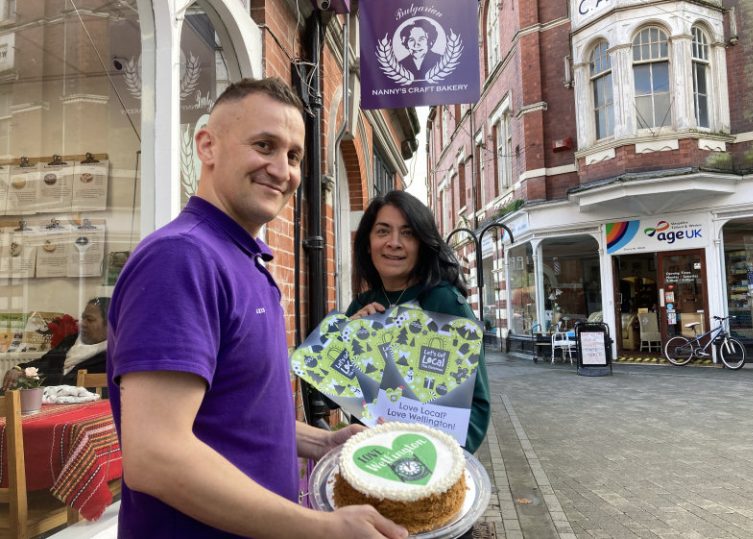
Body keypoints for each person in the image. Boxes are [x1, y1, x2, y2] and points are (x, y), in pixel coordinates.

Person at [107, 78, 408, 538]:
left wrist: (324, 442)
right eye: (264, 145)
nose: (281, 170)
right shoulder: (181, 258)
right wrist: (323, 529)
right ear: (207, 145)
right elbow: (155, 457)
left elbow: (239, 418)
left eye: (293, 156)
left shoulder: (243, 258)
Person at [346, 190, 490, 455]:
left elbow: (477, 405)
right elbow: (331, 396)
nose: (394, 242)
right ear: (368, 243)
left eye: (408, 233)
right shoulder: (360, 307)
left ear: (422, 244)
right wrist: (344, 340)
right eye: (382, 231)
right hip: (370, 459)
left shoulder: (443, 303)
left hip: (429, 464)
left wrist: (441, 465)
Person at [1, 297, 109, 390]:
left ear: (108, 324)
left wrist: (30, 376)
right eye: (83, 318)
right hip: (44, 395)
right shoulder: (71, 341)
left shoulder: (111, 355)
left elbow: (74, 382)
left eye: (89, 320)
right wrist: (18, 369)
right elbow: (45, 362)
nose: (83, 324)